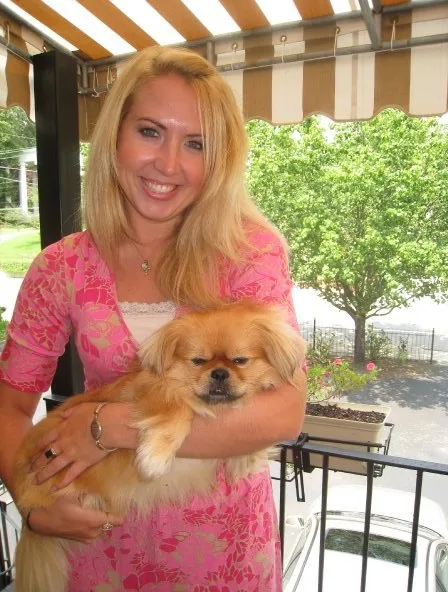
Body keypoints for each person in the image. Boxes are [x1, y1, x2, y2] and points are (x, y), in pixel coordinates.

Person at [0, 46, 307, 591]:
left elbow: (283, 413)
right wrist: (32, 504)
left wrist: (110, 428)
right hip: (100, 547)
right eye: (149, 132)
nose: (170, 164)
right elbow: (9, 402)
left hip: (222, 556)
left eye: (196, 144)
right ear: (115, 136)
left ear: (219, 160)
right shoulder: (61, 267)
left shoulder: (249, 253)